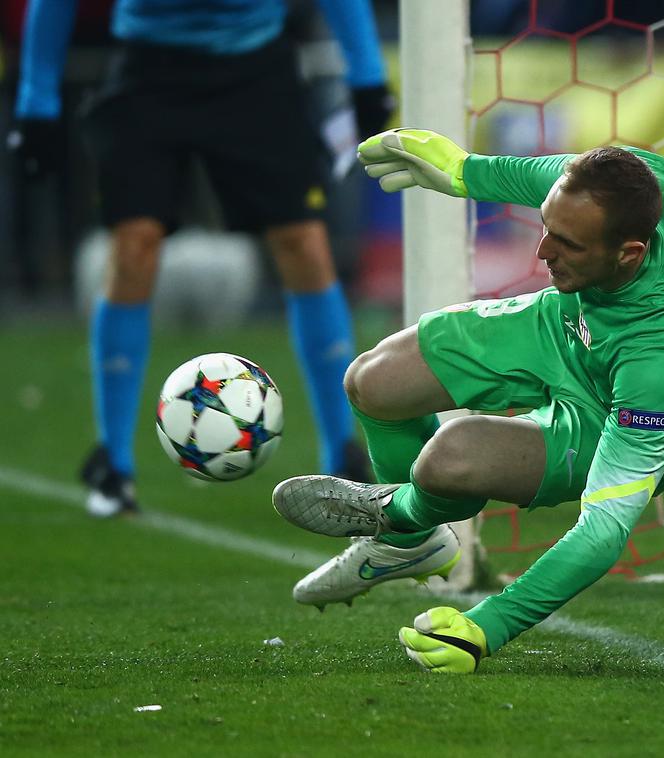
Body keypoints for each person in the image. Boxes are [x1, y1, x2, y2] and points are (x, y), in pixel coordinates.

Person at [272, 128, 664, 673]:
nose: (543, 251)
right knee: (373, 381)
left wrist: (487, 626)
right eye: (548, 228)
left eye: (566, 244)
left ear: (630, 254)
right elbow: (548, 180)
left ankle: (400, 514)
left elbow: (603, 531)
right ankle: (411, 543)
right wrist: (462, 171)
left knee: (449, 458)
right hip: (571, 322)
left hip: (616, 406)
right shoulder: (639, 180)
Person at [8, 0, 393, 516]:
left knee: (303, 242)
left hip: (256, 71)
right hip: (148, 71)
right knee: (134, 245)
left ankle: (343, 458)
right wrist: (37, 100)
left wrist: (367, 76)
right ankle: (113, 462)